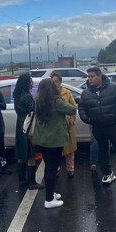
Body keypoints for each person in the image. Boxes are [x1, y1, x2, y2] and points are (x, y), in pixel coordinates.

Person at [78, 67, 116, 188]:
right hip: (98, 127)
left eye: (92, 76)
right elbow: (82, 108)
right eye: (89, 76)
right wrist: (87, 119)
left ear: (100, 76)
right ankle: (108, 173)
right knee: (103, 150)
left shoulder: (114, 88)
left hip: (113, 126)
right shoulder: (86, 93)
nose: (90, 79)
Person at [31, 79, 80, 209]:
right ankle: (48, 200)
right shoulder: (57, 101)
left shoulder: (38, 101)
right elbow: (72, 110)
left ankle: (51, 193)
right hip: (54, 141)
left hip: (42, 140)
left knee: (49, 167)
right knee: (52, 169)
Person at [12, 74, 37, 189]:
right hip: (27, 128)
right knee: (31, 155)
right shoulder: (27, 97)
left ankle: (22, 180)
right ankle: (32, 183)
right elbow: (32, 114)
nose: (32, 83)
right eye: (31, 82)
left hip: (20, 126)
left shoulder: (18, 95)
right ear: (26, 83)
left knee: (22, 155)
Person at [50, 73, 79, 172]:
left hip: (67, 126)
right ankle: (56, 169)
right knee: (56, 151)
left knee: (69, 151)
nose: (55, 84)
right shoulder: (48, 94)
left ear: (60, 82)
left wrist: (72, 119)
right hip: (55, 127)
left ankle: (70, 169)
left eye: (57, 81)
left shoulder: (67, 93)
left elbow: (73, 107)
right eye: (53, 82)